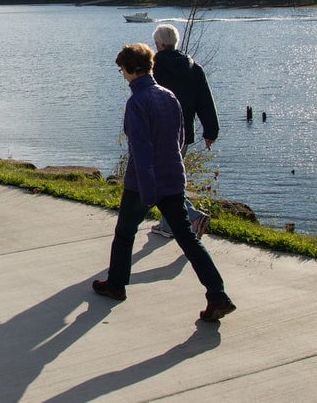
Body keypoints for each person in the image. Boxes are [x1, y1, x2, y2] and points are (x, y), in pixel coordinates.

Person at [93, 43, 235, 322]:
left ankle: (116, 284)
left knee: (124, 233)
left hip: (143, 182)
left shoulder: (137, 102)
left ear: (132, 70)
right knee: (187, 238)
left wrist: (147, 192)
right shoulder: (169, 96)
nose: (122, 74)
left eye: (122, 69)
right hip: (172, 178)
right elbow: (179, 139)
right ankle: (217, 294)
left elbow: (141, 148)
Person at [149, 23, 218, 240]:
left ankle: (192, 216)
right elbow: (205, 102)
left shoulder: (154, 69)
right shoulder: (194, 69)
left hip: (159, 134)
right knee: (171, 178)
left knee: (161, 180)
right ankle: (168, 226)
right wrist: (210, 132)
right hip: (184, 134)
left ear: (158, 45)